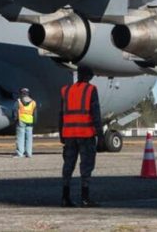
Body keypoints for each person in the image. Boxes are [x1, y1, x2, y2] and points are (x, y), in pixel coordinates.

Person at [59, 66, 103, 207]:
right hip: (86, 134)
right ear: (88, 76)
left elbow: (61, 114)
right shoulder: (91, 90)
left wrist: (61, 133)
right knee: (86, 166)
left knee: (68, 166)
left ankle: (65, 197)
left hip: (69, 135)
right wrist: (100, 135)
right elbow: (95, 114)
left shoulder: (66, 90)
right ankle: (85, 198)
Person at [15, 87, 37, 158]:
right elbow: (35, 114)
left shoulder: (18, 101)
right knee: (29, 138)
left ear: (21, 93)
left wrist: (15, 119)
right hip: (30, 122)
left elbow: (14, 111)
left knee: (20, 138)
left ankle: (20, 153)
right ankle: (29, 153)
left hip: (21, 121)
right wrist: (34, 122)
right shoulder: (33, 102)